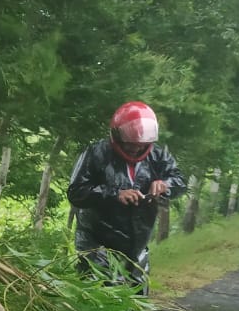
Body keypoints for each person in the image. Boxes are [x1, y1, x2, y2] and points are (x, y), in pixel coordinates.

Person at [67, 101, 185, 296]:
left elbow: (179, 181)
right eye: (130, 144)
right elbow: (76, 192)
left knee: (137, 301)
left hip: (136, 243)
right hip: (96, 242)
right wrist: (114, 194)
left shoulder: (158, 155)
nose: (135, 149)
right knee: (99, 297)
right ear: (117, 136)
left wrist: (166, 185)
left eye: (141, 145)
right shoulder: (96, 153)